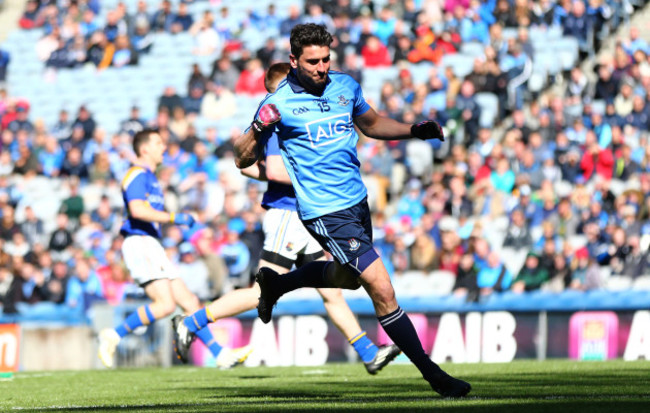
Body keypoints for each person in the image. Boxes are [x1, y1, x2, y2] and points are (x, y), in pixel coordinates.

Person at [232, 24, 471, 398]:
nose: (322, 67)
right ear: (293, 61)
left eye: (327, 58)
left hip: (356, 202)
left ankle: (277, 283)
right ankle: (434, 375)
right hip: (324, 211)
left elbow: (372, 124)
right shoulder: (277, 104)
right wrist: (255, 129)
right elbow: (242, 158)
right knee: (381, 287)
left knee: (347, 279)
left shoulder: (346, 85)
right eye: (313, 61)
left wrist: (414, 130)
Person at [173, 63, 401, 375]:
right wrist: (321, 176)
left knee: (331, 292)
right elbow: (271, 168)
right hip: (288, 215)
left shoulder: (293, 117)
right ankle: (193, 321)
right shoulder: (281, 120)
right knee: (261, 291)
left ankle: (368, 353)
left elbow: (248, 167)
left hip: (304, 213)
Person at [98, 129, 252, 369]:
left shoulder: (150, 176)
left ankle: (220, 354)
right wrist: (174, 217)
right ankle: (114, 335)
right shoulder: (137, 174)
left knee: (190, 302)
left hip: (150, 243)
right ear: (144, 148)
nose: (163, 147)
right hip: (140, 242)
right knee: (166, 305)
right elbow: (137, 210)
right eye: (158, 143)